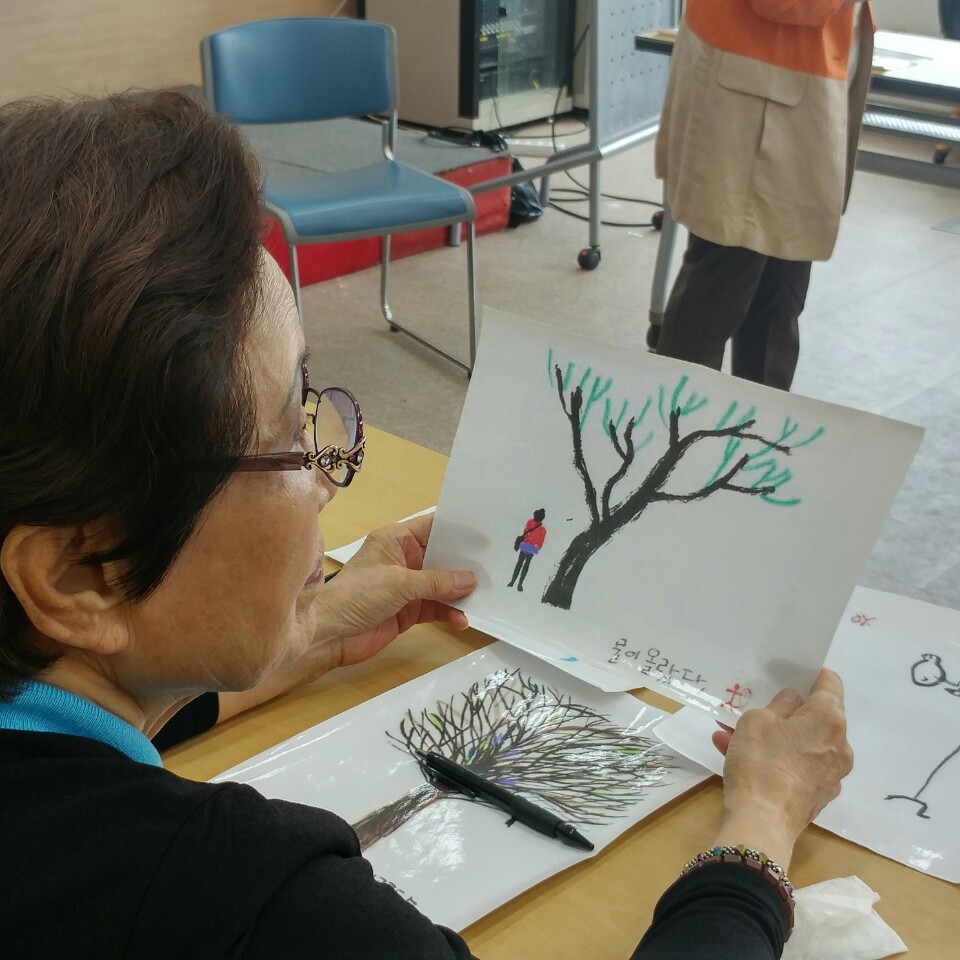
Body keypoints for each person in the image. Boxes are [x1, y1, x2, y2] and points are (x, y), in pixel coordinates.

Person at [0, 93, 853, 959]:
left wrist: (317, 629)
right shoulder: (249, 900)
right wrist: (762, 823)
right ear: (77, 576)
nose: (327, 480)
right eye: (291, 437)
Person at [654, 0, 874, 390]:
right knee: (718, 291)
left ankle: (761, 424)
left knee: (778, 297)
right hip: (755, 89)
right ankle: (669, 419)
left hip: (790, 81)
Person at [508, 507, 546, 592]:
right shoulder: (542, 529)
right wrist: (537, 548)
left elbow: (525, 531)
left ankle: (512, 581)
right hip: (532, 548)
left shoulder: (530, 522)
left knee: (519, 563)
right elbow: (541, 541)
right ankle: (519, 584)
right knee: (526, 565)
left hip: (525, 545)